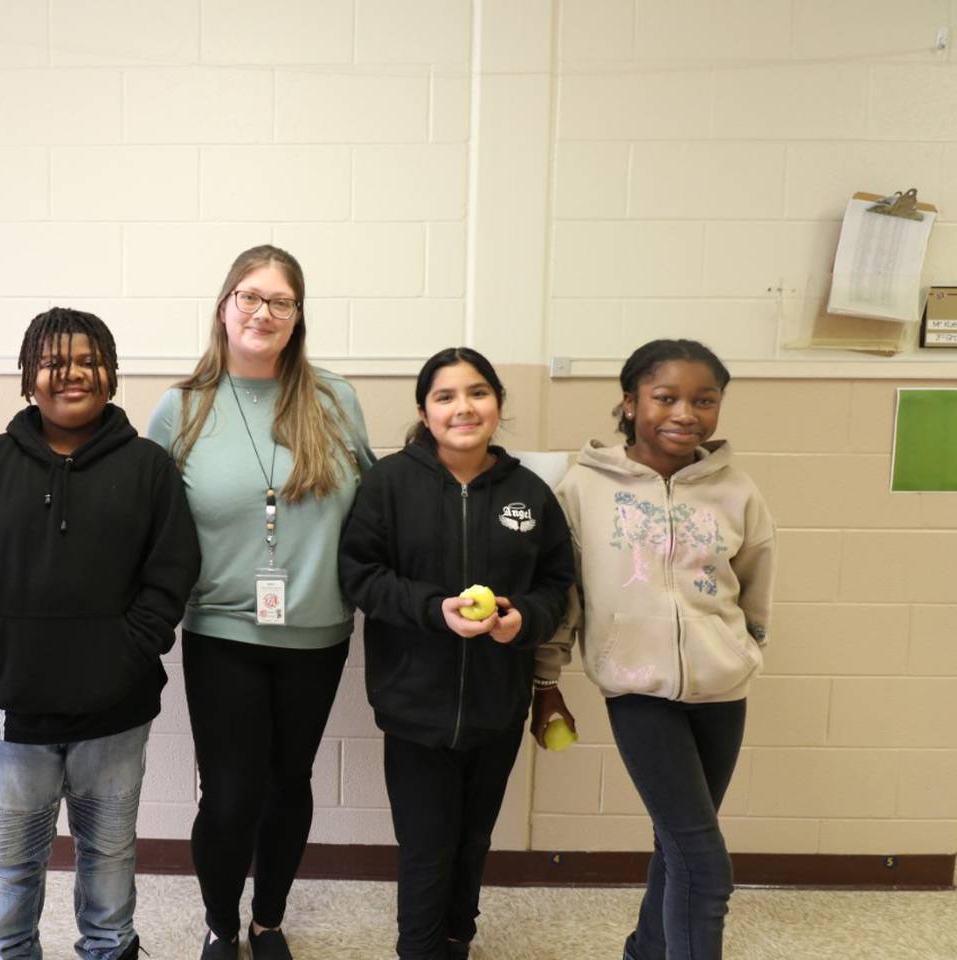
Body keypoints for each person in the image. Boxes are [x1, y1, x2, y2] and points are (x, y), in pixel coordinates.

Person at [0, 308, 201, 960]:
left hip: (117, 716)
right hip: (12, 718)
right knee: (11, 875)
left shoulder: (150, 468)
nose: (70, 373)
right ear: (28, 377)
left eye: (86, 359)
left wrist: (127, 652)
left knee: (109, 867)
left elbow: (171, 577)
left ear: (110, 372)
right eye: (52, 361)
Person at [147, 244, 375, 960]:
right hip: (221, 629)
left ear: (298, 316)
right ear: (224, 306)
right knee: (231, 793)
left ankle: (268, 920)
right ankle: (220, 924)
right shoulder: (181, 406)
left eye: (281, 301)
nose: (263, 312)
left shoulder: (333, 398)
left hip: (318, 630)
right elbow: (147, 522)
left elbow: (374, 505)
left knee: (288, 784)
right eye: (250, 296)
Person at [535, 339, 775, 960]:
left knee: (680, 845)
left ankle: (644, 950)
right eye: (665, 397)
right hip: (638, 689)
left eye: (705, 400)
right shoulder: (583, 488)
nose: (685, 413)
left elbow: (754, 581)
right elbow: (564, 593)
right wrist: (547, 680)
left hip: (723, 690)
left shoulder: (737, 489)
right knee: (705, 863)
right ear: (629, 401)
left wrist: (745, 649)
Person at [338, 346, 574, 960]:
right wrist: (432, 609)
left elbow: (557, 583)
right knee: (425, 846)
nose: (463, 407)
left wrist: (523, 620)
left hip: (498, 706)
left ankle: (456, 940)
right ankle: (417, 949)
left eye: (477, 393)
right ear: (424, 410)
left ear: (497, 404)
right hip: (414, 706)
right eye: (445, 396)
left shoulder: (530, 492)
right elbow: (360, 574)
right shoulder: (388, 483)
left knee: (473, 841)